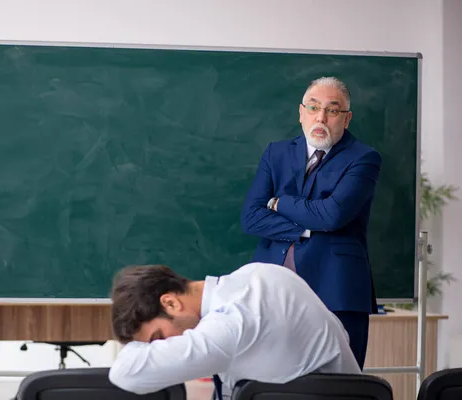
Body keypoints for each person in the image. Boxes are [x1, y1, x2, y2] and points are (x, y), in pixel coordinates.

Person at [240, 76, 382, 369]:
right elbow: (251, 217)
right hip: (273, 288)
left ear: (346, 118)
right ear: (301, 112)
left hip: (337, 287)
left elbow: (333, 216)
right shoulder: (275, 153)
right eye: (314, 108)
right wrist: (305, 226)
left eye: (333, 110)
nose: (322, 117)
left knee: (339, 384)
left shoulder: (364, 158)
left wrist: (280, 203)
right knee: (271, 377)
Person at [108, 262, 360, 397]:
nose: (163, 348)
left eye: (158, 339)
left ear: (171, 303)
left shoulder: (229, 322)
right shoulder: (261, 274)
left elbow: (125, 373)